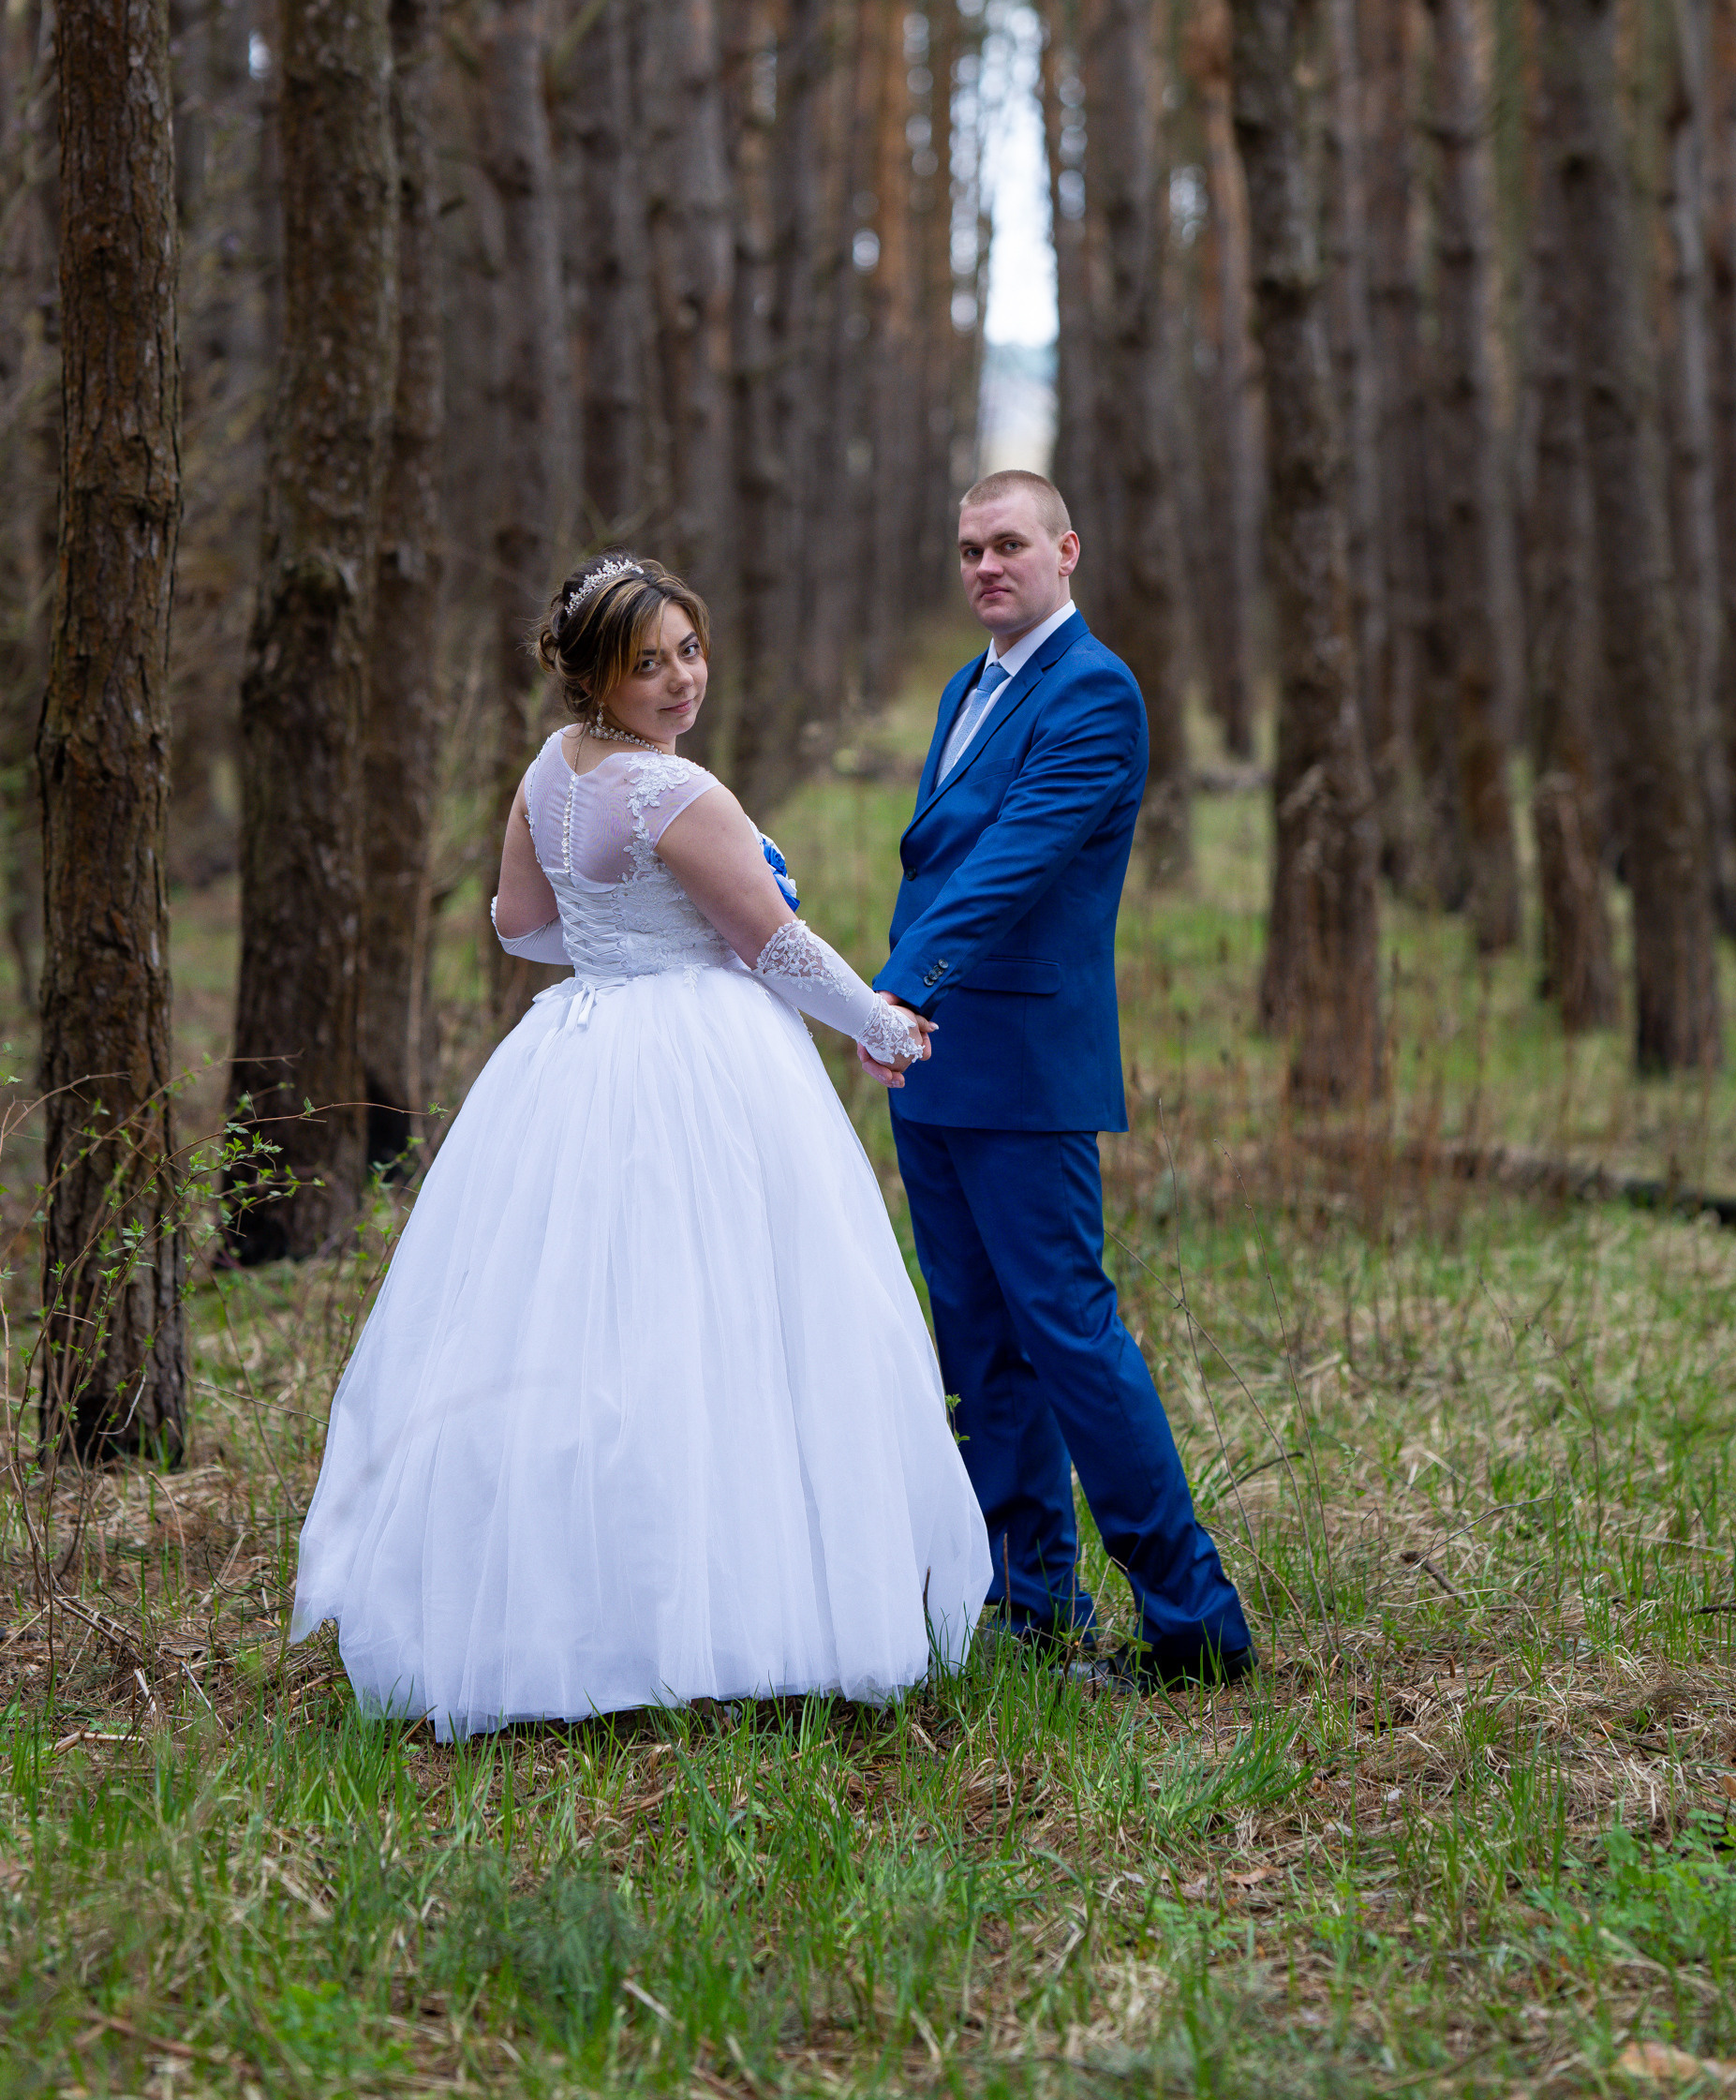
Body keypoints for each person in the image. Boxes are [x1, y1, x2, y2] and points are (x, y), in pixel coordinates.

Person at [290, 554, 989, 1740]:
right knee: (716, 1319)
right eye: (647, 662)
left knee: (569, 1318)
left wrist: (622, 935)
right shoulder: (678, 792)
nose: (679, 681)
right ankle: (728, 1619)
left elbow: (520, 925)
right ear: (594, 675)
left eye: (689, 651)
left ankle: (563, 1606)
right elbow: (773, 942)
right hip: (696, 1059)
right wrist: (882, 1023)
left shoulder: (550, 769)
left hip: (577, 1044)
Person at [869, 470, 1254, 1691]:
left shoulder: (1094, 693)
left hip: (1020, 1070)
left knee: (1070, 1339)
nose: (988, 566)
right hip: (930, 1071)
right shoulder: (963, 689)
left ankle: (1195, 1625)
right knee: (977, 1350)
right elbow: (935, 857)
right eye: (971, 549)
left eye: (1011, 545)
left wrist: (900, 987)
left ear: (1066, 552)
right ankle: (1032, 1610)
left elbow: (1015, 862)